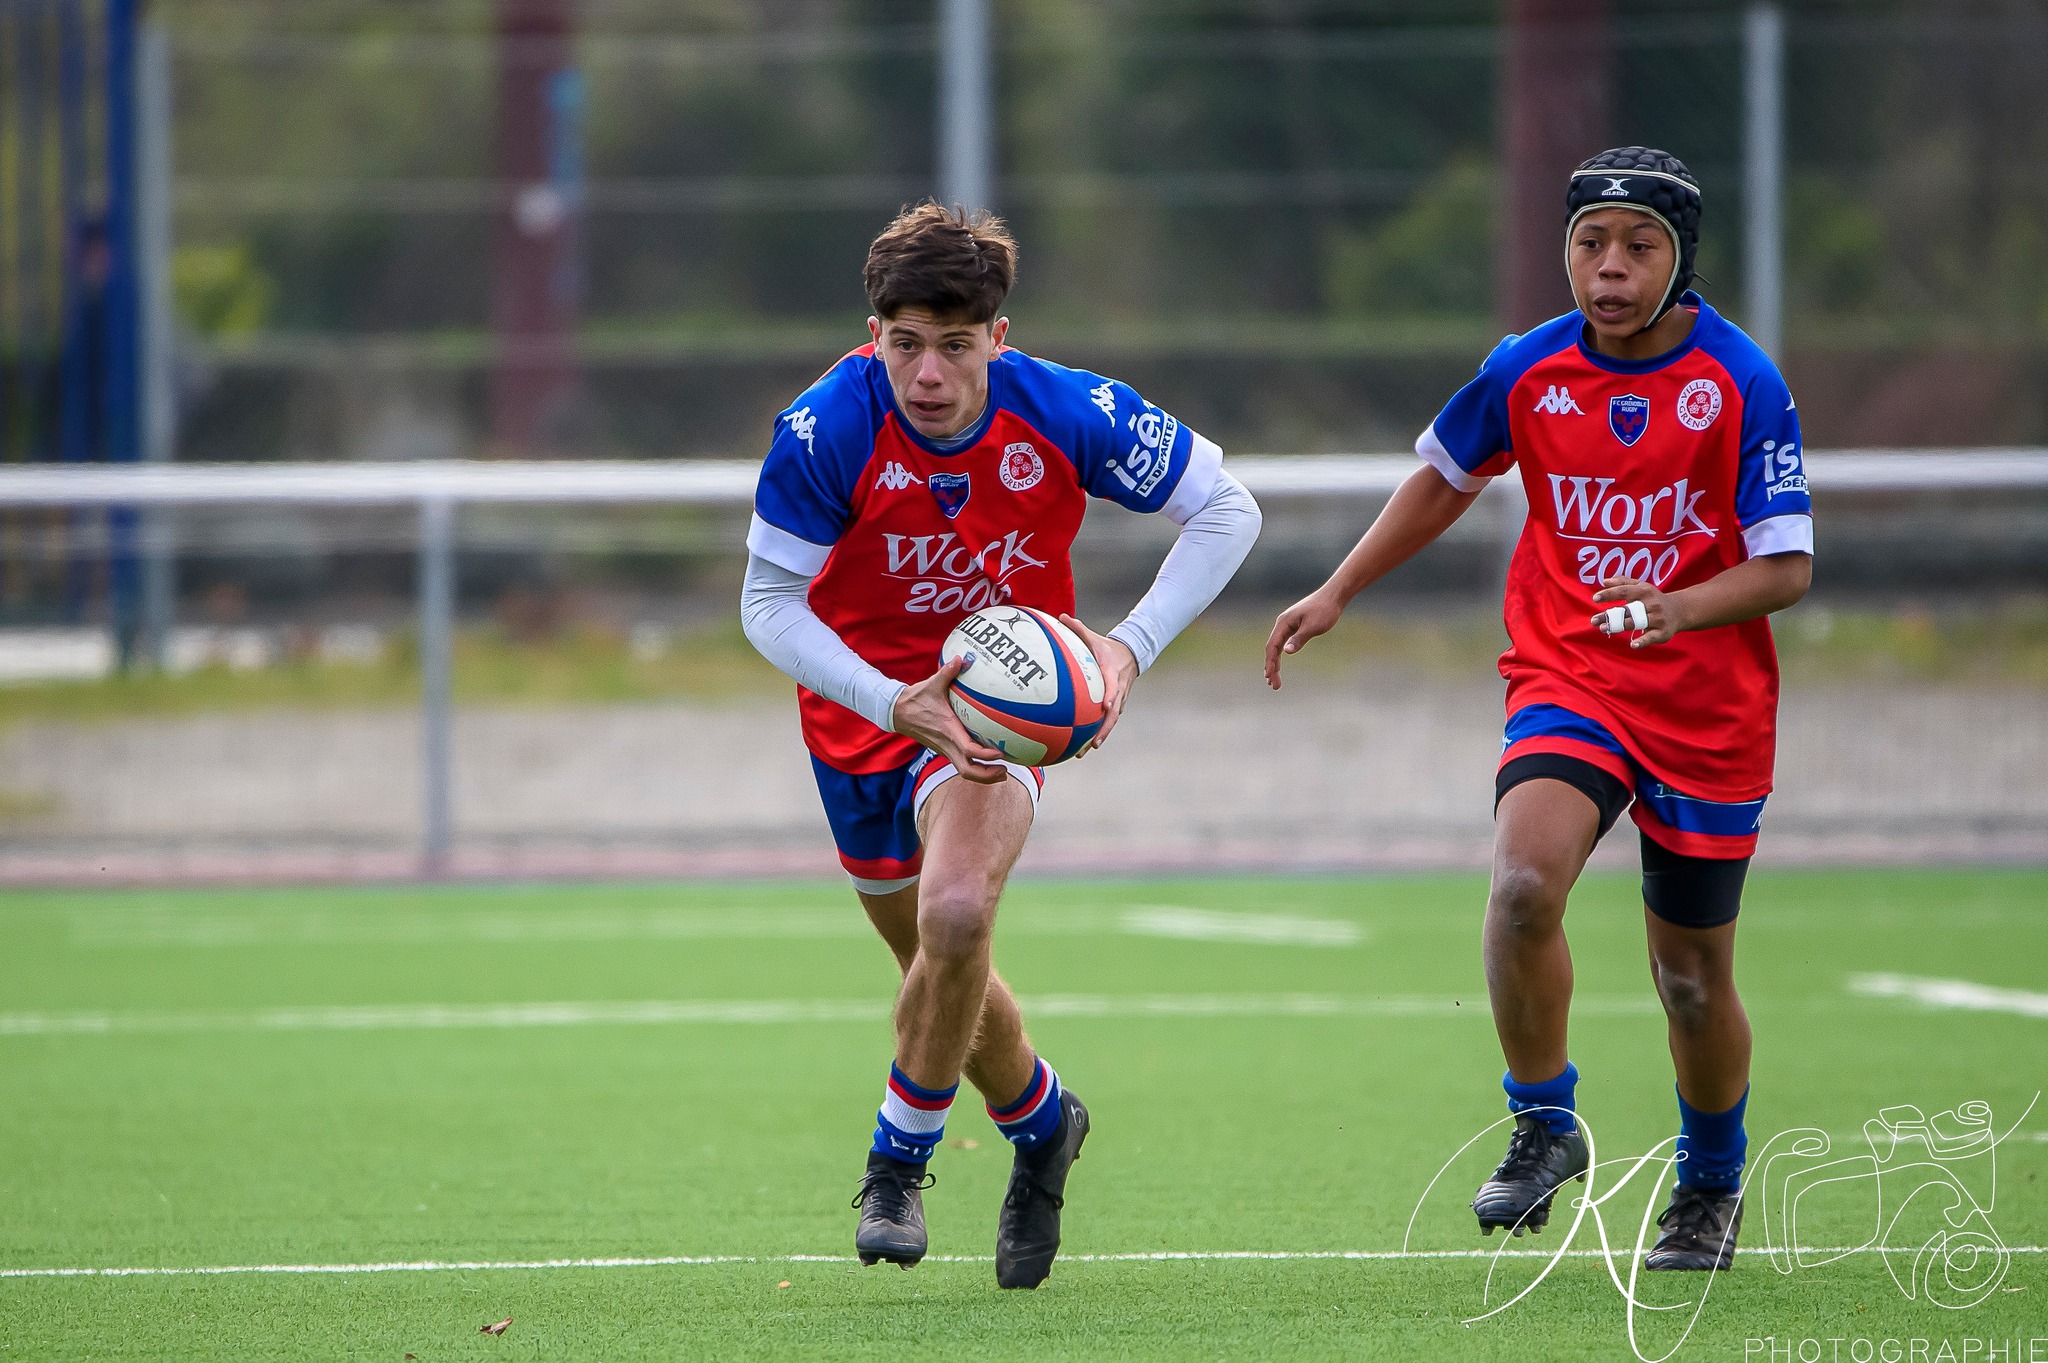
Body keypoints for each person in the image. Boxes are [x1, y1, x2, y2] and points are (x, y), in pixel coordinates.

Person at [1264, 147, 1812, 1271]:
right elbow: (1442, 480)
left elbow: (1785, 567)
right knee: (1520, 888)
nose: (1608, 269)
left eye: (1637, 247)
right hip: (1570, 674)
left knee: (1688, 976)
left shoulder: (1740, 379)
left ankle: (1707, 1184)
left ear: (1680, 259)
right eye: (1588, 245)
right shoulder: (1527, 367)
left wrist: (1675, 606)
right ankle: (1542, 1122)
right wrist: (1336, 589)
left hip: (1707, 707)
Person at [741, 203, 1261, 1287]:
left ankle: (895, 1162)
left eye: (955, 345)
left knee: (957, 913)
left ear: (999, 338)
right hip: (865, 712)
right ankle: (1042, 1125)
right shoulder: (823, 427)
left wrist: (1124, 651)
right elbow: (768, 602)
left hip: (999, 713)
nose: (926, 373)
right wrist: (890, 701)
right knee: (936, 969)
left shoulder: (1065, 410)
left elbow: (1225, 509)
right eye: (903, 344)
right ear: (871, 332)